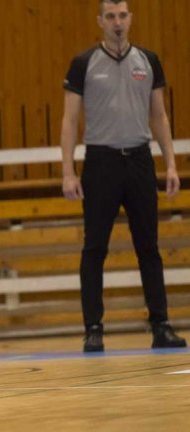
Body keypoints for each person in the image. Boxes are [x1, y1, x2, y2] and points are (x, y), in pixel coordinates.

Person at [60, 0, 186, 352]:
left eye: (123, 15)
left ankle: (160, 324)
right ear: (100, 21)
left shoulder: (147, 61)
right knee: (94, 248)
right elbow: (70, 120)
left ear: (130, 19)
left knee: (149, 247)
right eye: (111, 16)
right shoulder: (84, 63)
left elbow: (159, 116)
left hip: (140, 160)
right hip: (101, 162)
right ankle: (93, 328)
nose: (117, 22)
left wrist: (171, 163)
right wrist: (68, 170)